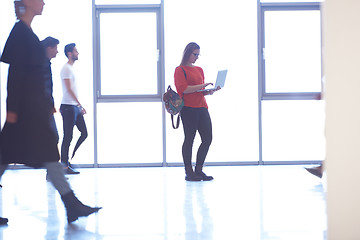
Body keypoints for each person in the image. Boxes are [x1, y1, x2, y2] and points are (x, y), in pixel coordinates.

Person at [0, 0, 101, 224]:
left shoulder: (26, 33)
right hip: (24, 113)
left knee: (48, 156)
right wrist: (12, 111)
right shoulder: (20, 33)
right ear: (27, 2)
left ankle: (72, 205)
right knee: (8, 157)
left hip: (32, 111)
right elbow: (15, 77)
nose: (43, 2)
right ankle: (72, 205)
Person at [174, 42, 220, 181]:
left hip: (202, 107)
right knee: (189, 139)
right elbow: (184, 89)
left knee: (207, 138)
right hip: (188, 108)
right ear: (187, 53)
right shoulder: (180, 69)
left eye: (198, 55)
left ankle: (199, 170)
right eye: (195, 54)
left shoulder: (199, 69)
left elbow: (197, 91)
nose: (196, 57)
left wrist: (208, 91)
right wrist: (203, 85)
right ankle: (189, 172)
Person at [60, 43, 87, 175]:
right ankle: (64, 166)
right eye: (76, 51)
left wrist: (78, 106)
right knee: (67, 137)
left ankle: (68, 159)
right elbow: (69, 89)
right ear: (70, 53)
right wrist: (79, 104)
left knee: (84, 132)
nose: (78, 53)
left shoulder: (71, 69)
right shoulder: (66, 69)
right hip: (68, 107)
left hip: (74, 107)